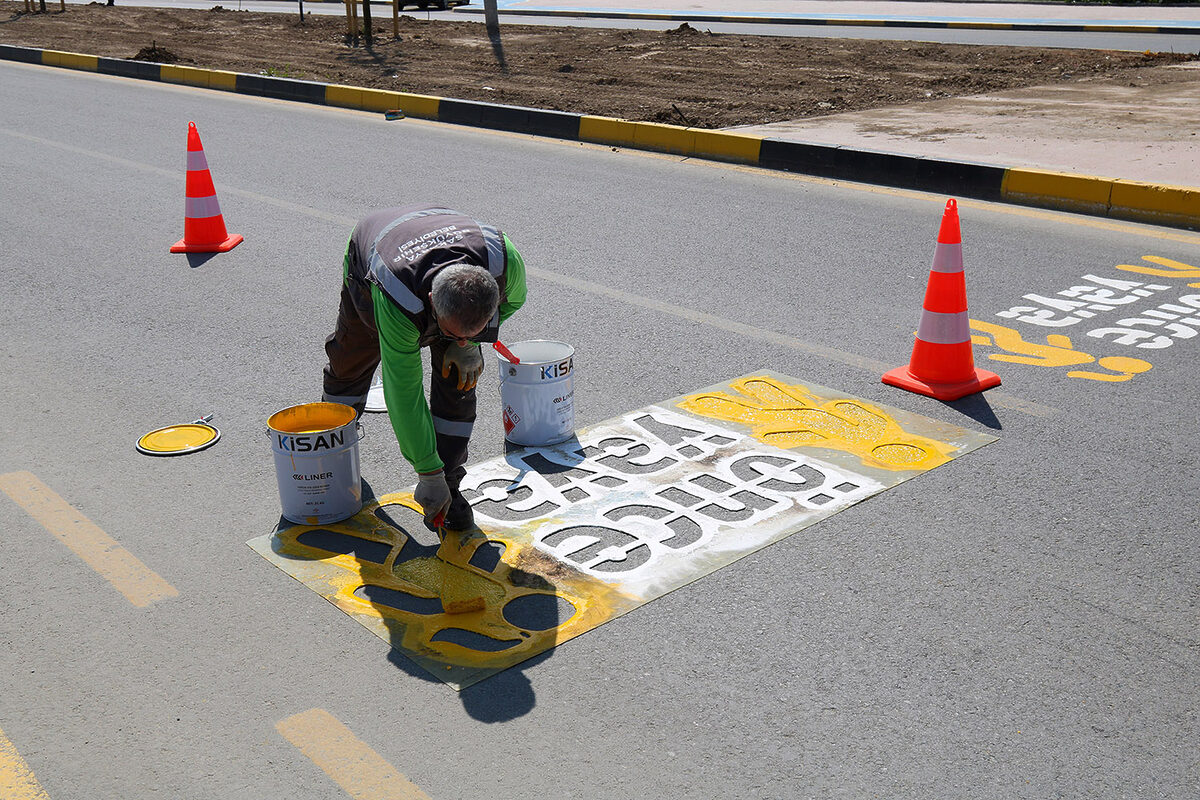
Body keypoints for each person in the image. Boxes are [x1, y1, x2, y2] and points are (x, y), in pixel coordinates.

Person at [321, 205, 527, 532]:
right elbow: (404, 391)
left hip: (445, 248)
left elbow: (514, 302)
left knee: (459, 377)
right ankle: (329, 446)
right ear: (432, 300)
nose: (459, 341)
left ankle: (451, 482)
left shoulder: (504, 262)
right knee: (352, 356)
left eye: (470, 332)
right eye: (454, 334)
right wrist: (425, 472)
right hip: (375, 262)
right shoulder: (395, 294)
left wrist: (471, 344)